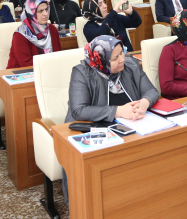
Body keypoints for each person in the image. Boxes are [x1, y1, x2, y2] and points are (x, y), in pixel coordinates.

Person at [63, 35, 159, 201]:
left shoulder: (131, 65)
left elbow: (151, 91)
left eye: (122, 53)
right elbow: (79, 110)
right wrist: (118, 111)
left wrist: (144, 102)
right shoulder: (82, 72)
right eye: (115, 58)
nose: (122, 59)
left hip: (131, 127)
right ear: (101, 59)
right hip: (95, 128)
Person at [7, 0, 62, 69]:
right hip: (22, 72)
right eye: (40, 11)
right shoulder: (21, 34)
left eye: (46, 9)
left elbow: (59, 55)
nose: (45, 14)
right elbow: (25, 63)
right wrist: (50, 67)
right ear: (31, 13)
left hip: (49, 70)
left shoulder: (52, 29)